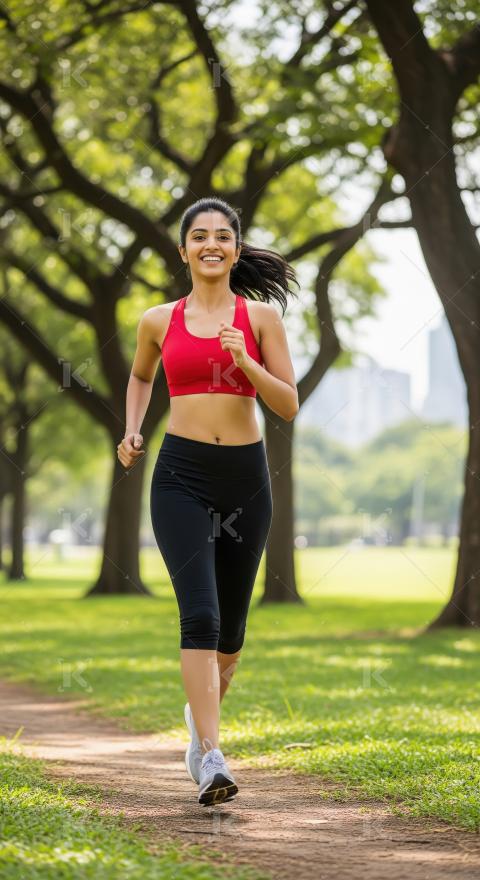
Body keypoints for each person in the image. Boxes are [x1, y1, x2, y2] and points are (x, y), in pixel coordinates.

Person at [117, 196, 299, 806]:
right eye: (199, 236)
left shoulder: (262, 321)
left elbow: (288, 405)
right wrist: (133, 427)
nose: (211, 244)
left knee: (232, 637)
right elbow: (141, 376)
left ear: (237, 249)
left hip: (244, 477)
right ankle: (213, 756)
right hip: (181, 477)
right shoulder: (157, 320)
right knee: (200, 614)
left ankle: (200, 731)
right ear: (184, 250)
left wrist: (244, 360)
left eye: (223, 235)